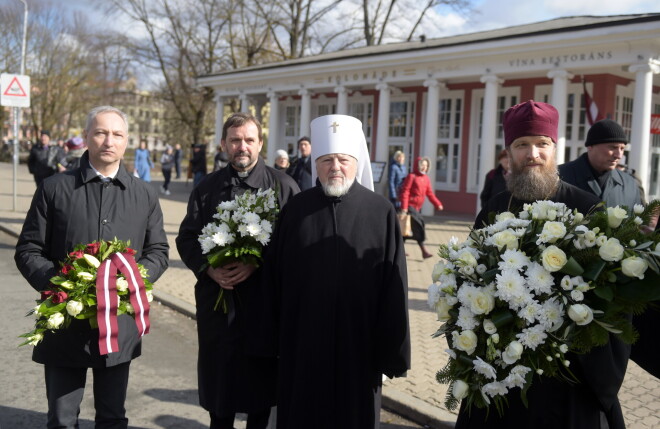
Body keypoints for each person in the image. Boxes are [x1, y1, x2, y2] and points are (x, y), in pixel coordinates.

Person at [463, 100, 626, 429]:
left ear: (555, 148)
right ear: (509, 151)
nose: (532, 154)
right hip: (504, 374)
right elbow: (471, 284)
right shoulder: (493, 211)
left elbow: (615, 302)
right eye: (522, 145)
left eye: (542, 144)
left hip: (568, 376)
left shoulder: (589, 210)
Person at [14, 106, 169, 429]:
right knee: (61, 419)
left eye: (117, 134)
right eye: (100, 132)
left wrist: (132, 281)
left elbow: (158, 251)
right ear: (86, 137)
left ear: (127, 142)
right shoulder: (54, 188)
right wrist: (62, 285)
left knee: (112, 418)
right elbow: (28, 249)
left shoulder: (145, 194)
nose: (108, 141)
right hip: (65, 322)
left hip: (118, 324)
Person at [259, 114, 410, 429]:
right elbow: (273, 281)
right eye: (326, 159)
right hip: (302, 346)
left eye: (343, 159)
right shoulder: (294, 211)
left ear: (356, 162)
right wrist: (268, 343)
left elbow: (394, 285)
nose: (335, 167)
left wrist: (393, 351)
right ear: (316, 163)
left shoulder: (380, 212)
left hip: (360, 345)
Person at [176, 112, 299, 429]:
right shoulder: (207, 188)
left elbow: (295, 247)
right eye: (234, 140)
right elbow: (187, 237)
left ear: (260, 144)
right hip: (219, 308)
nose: (241, 146)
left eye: (248, 140)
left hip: (264, 308)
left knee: (260, 398)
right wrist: (209, 270)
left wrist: (255, 262)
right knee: (220, 394)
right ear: (223, 144)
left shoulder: (284, 187)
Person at [558, 118, 643, 209]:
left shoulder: (630, 184)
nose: (619, 155)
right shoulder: (559, 177)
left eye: (622, 149)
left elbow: (639, 221)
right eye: (613, 147)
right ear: (590, 146)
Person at [399, 156, 444, 259]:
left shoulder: (426, 178)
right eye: (422, 165)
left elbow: (430, 193)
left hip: (417, 208)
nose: (424, 167)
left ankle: (399, 251)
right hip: (410, 207)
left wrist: (437, 204)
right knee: (419, 226)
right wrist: (404, 208)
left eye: (426, 165)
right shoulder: (411, 176)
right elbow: (405, 192)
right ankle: (424, 251)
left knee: (405, 231)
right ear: (417, 166)